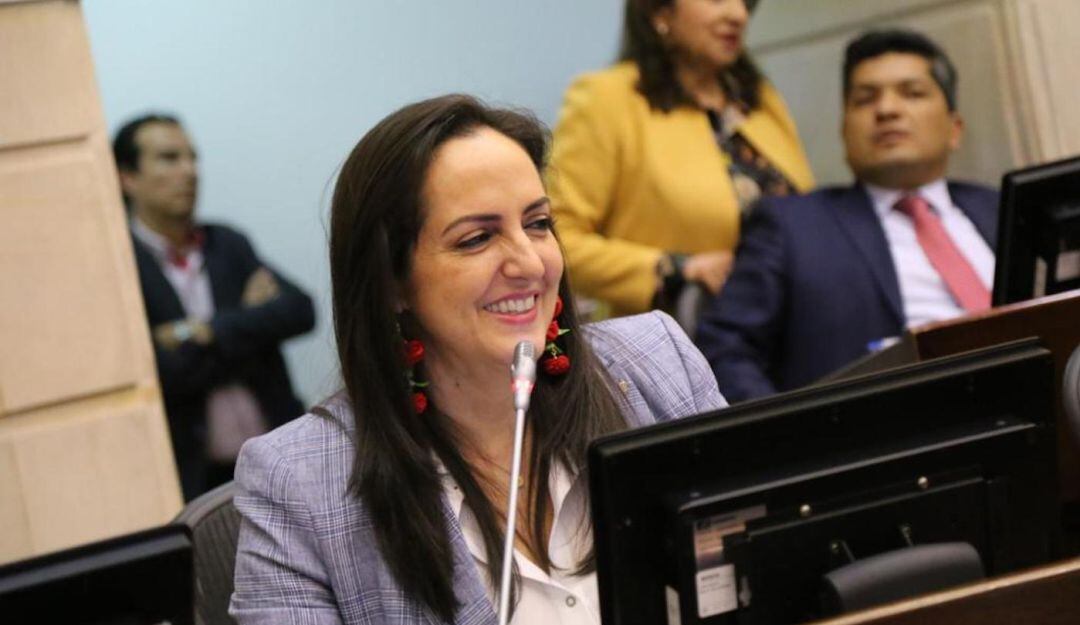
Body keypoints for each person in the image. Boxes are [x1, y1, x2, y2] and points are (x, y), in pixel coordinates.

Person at [229, 95, 725, 625]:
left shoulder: (656, 361)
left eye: (538, 223)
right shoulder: (297, 482)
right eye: (477, 238)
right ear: (391, 282)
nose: (529, 262)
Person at [696, 29, 999, 403]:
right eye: (865, 99)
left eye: (912, 93)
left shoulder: (998, 208)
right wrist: (793, 431)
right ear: (844, 131)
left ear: (954, 129)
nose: (887, 110)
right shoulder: (792, 225)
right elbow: (724, 351)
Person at [548, 0, 814, 318]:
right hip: (685, 329)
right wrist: (674, 269)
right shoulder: (605, 98)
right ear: (661, 12)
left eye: (744, 2)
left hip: (795, 321)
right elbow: (558, 238)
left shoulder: (758, 97)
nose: (739, 14)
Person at [114, 114, 315, 500]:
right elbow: (163, 373)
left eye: (192, 157)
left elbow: (299, 310)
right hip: (197, 481)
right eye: (169, 158)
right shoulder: (121, 265)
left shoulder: (227, 244)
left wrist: (201, 331)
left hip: (284, 461)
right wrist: (248, 326)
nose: (189, 171)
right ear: (128, 177)